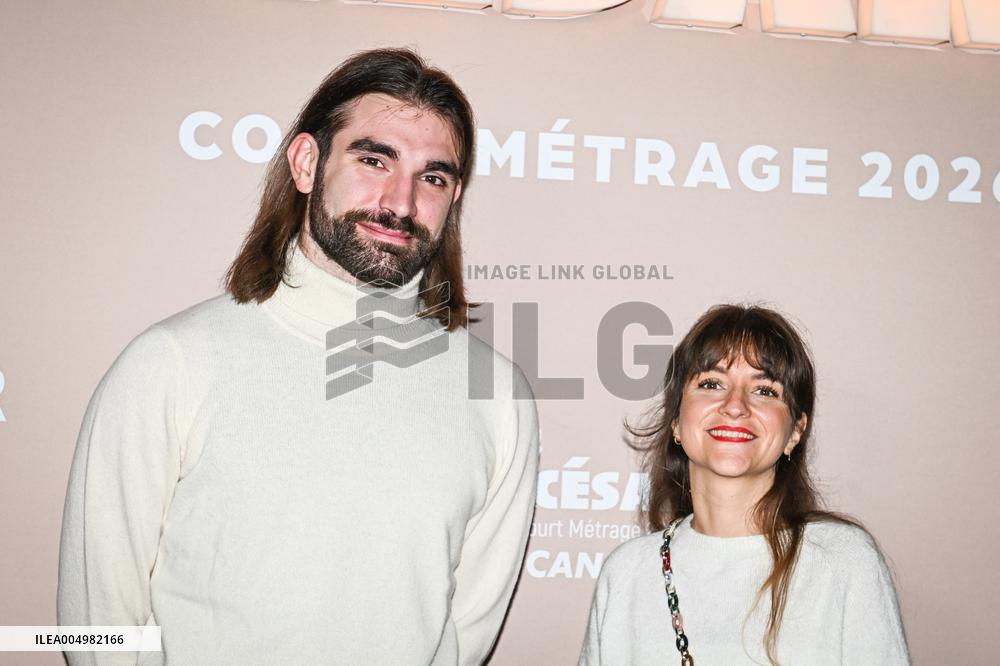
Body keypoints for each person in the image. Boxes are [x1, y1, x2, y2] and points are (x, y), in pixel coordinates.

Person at [58, 48, 539, 665]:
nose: (401, 201)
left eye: (434, 177)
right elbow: (98, 622)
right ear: (307, 162)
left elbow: (467, 633)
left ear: (454, 197)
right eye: (373, 160)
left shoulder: (497, 395)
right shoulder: (171, 364)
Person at [580, 305, 909, 665]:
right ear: (676, 420)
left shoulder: (845, 562)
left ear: (795, 431)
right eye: (711, 383)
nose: (735, 406)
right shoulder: (626, 573)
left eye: (765, 390)